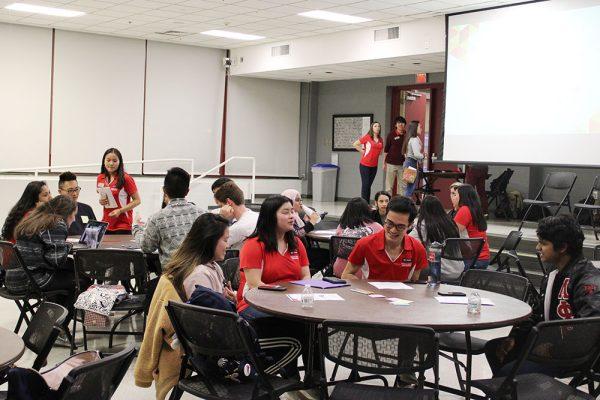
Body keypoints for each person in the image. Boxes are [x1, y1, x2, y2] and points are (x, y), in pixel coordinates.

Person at [484, 215, 600, 377]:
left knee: (507, 373)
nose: (538, 247)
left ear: (562, 247)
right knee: (494, 349)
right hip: (552, 343)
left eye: (544, 243)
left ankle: (511, 387)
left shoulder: (588, 280)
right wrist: (515, 337)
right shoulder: (553, 274)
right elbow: (538, 312)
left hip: (575, 355)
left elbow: (590, 327)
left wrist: (554, 348)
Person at [236, 195, 312, 378]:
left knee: (314, 328)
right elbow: (255, 285)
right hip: (255, 305)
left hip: (291, 304)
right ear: (271, 216)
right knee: (299, 328)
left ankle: (313, 379)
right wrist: (286, 297)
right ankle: (286, 375)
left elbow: (306, 276)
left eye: (292, 211)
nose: (292, 216)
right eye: (285, 212)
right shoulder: (254, 245)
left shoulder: (296, 243)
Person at [9, 196, 89, 323]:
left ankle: (48, 320)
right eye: (74, 215)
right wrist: (68, 246)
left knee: (71, 270)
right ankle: (58, 326)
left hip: (13, 278)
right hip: (31, 281)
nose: (74, 220)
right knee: (82, 280)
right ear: (66, 213)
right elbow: (56, 261)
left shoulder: (34, 219)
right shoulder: (57, 223)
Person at [342, 196, 427, 281]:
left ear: (410, 225)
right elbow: (346, 275)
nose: (393, 230)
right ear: (385, 218)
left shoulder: (418, 249)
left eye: (400, 226)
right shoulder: (364, 244)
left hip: (402, 294)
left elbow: (415, 284)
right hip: (370, 293)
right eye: (389, 223)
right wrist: (367, 288)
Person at [132, 167, 204, 266]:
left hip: (172, 278)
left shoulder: (157, 218)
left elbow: (146, 247)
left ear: (164, 190)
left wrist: (136, 227)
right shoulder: (202, 214)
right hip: (199, 276)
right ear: (187, 191)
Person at [409, 195, 465, 282]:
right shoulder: (451, 223)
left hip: (440, 271)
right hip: (458, 270)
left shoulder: (424, 225)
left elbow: (408, 242)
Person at [333, 197, 383, 278]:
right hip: (362, 272)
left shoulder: (341, 226)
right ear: (367, 210)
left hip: (339, 269)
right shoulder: (377, 228)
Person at [97, 148, 141, 234]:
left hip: (123, 225)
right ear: (104, 161)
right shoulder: (100, 178)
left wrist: (120, 210)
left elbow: (137, 200)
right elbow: (103, 198)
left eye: (114, 160)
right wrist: (101, 201)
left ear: (119, 162)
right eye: (108, 160)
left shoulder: (126, 178)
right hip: (106, 223)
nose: (111, 163)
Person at [451, 184, 490, 268]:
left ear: (462, 196)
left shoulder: (464, 210)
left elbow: (451, 233)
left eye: (455, 194)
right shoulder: (475, 208)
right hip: (482, 258)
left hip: (473, 260)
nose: (452, 198)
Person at [213, 182, 258, 250]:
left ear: (228, 202)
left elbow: (212, 245)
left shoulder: (238, 227)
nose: (221, 209)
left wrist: (222, 218)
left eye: (221, 206)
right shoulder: (257, 216)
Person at [57, 171, 97, 236]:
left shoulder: (87, 209)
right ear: (60, 191)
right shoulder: (54, 210)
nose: (75, 194)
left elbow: (95, 232)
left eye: (76, 189)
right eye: (70, 190)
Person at [353, 121, 383, 202]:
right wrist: (363, 151)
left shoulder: (380, 139)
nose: (377, 127)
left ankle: (367, 204)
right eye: (375, 126)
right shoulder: (367, 137)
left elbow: (380, 153)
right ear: (372, 128)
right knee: (365, 185)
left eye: (378, 126)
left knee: (369, 185)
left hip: (374, 166)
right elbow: (355, 144)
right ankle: (363, 204)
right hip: (365, 165)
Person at [384, 116, 407, 195]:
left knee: (402, 185)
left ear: (405, 125)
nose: (401, 124)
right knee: (389, 186)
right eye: (399, 123)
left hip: (403, 164)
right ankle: (387, 203)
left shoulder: (407, 135)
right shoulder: (391, 135)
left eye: (403, 123)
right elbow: (386, 150)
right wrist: (384, 163)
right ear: (396, 125)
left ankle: (400, 203)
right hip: (391, 163)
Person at [401, 120, 424, 197]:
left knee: (409, 187)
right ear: (415, 128)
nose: (421, 129)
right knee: (410, 188)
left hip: (409, 163)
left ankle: (405, 204)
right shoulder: (414, 139)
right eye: (420, 127)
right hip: (411, 164)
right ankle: (405, 205)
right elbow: (417, 154)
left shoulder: (411, 138)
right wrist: (423, 156)